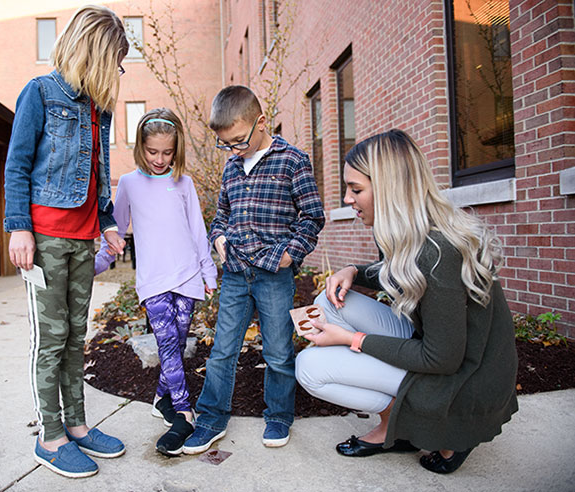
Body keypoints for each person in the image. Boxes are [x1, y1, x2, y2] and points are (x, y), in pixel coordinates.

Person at [295, 129, 518, 474]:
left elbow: (442, 359)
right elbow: (394, 270)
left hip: (465, 378)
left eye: (356, 190)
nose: (347, 199)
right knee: (330, 300)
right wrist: (353, 270)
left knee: (310, 368)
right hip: (439, 350)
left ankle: (440, 430)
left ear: (388, 189)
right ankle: (398, 426)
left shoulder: (439, 251)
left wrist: (350, 341)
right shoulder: (409, 232)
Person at [3, 5, 129, 479]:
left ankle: (77, 426)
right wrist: (19, 227)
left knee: (78, 338)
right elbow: (16, 165)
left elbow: (100, 172)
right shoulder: (39, 94)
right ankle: (50, 437)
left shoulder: (101, 108)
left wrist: (109, 222)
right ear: (95, 51)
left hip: (84, 240)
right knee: (50, 340)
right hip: (46, 239)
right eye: (115, 60)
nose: (118, 71)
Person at [182, 85, 326, 454]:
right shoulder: (232, 166)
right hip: (235, 273)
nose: (232, 150)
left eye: (238, 141)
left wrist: (290, 254)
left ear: (261, 123)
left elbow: (312, 216)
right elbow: (222, 216)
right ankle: (211, 419)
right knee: (222, 350)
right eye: (225, 144)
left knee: (277, 351)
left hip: (273, 275)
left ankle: (279, 416)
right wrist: (218, 238)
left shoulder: (293, 160)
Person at [93, 108, 218, 456]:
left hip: (188, 275)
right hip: (153, 280)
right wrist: (97, 263)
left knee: (176, 345)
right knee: (166, 344)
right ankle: (183, 413)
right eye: (152, 152)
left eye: (167, 152)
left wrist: (208, 273)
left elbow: (197, 230)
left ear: (175, 150)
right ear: (140, 148)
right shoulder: (129, 184)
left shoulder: (185, 183)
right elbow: (113, 233)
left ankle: (161, 398)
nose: (160, 159)